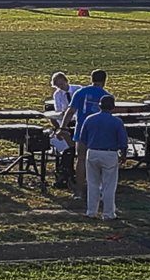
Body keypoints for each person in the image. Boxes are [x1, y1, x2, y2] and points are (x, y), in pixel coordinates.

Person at [58, 69, 110, 198]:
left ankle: (79, 191)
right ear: (104, 81)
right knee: (100, 162)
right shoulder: (106, 96)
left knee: (81, 160)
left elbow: (70, 111)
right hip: (100, 132)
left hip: (82, 130)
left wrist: (63, 127)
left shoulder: (80, 92)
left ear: (91, 79)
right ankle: (100, 192)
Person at [78, 95, 128, 220]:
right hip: (109, 153)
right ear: (113, 107)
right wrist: (123, 155)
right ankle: (108, 213)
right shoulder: (117, 122)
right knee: (109, 185)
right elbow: (123, 141)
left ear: (99, 106)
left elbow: (82, 139)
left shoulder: (90, 119)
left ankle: (91, 211)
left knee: (92, 183)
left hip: (93, 152)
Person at [50, 72, 82, 189]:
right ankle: (67, 172)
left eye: (61, 84)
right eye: (57, 85)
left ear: (65, 80)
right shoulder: (57, 94)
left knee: (74, 147)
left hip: (79, 120)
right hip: (67, 122)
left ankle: (69, 172)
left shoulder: (78, 89)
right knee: (69, 147)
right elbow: (59, 110)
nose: (60, 87)